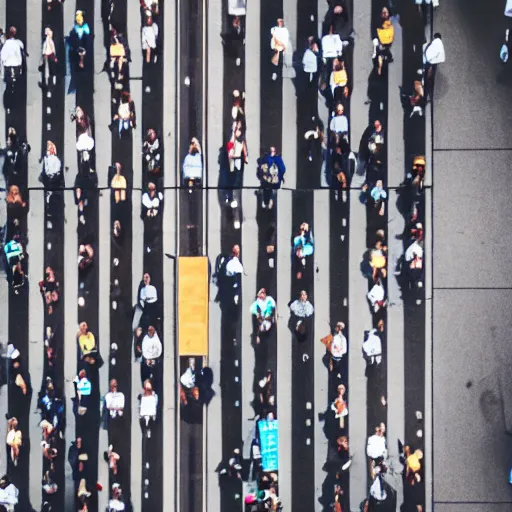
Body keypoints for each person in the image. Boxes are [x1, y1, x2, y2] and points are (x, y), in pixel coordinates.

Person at [423, 33, 445, 99]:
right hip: (432, 66)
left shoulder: (430, 45)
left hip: (427, 64)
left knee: (426, 80)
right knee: (431, 80)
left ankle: (425, 96)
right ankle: (430, 95)